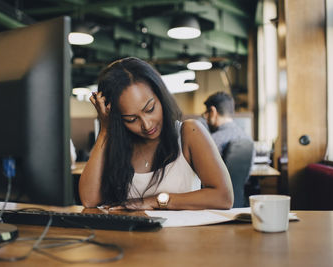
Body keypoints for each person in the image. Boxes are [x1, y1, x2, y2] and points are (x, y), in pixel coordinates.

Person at [79, 57, 233, 210]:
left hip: (183, 234)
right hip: (131, 234)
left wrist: (153, 201)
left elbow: (223, 197)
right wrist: (106, 128)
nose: (146, 125)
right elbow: (89, 200)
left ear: (161, 96)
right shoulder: (118, 145)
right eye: (131, 119)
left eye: (150, 109)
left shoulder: (189, 132)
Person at [202, 91, 253, 156]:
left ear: (213, 111)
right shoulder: (248, 138)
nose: (206, 118)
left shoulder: (212, 141)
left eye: (206, 113)